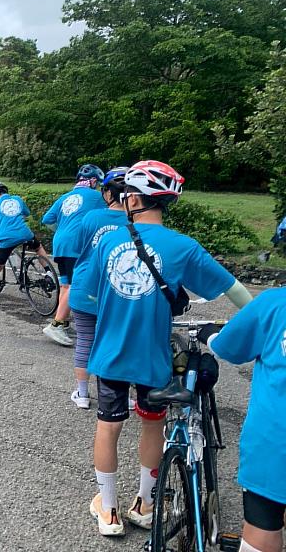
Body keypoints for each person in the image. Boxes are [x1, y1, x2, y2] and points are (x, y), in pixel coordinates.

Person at [79, 160, 252, 537]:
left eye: (126, 195)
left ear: (136, 199)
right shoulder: (183, 247)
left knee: (108, 426)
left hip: (110, 351)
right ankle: (144, 503)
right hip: (153, 355)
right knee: (152, 424)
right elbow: (229, 288)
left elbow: (89, 292)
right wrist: (262, 315)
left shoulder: (108, 240)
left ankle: (108, 511)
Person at [197, 292, 286, 552]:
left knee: (262, 530)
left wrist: (209, 335)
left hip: (274, 443)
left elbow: (229, 348)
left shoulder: (275, 303)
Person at [68, 167, 131, 409]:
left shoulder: (92, 218)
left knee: (85, 339)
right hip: (119, 292)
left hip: (85, 287)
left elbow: (77, 248)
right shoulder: (134, 221)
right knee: (117, 342)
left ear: (107, 194)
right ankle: (120, 395)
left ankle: (82, 394)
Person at [41, 164, 107, 346]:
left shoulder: (65, 197)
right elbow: (110, 213)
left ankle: (62, 319)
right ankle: (56, 325)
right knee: (75, 284)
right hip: (77, 244)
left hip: (60, 243)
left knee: (65, 285)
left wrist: (61, 229)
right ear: (94, 181)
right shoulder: (96, 197)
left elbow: (46, 219)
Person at [0, 182, 48, 305]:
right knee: (38, 247)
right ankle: (49, 272)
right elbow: (26, 213)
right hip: (25, 233)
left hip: (7, 238)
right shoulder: (17, 199)